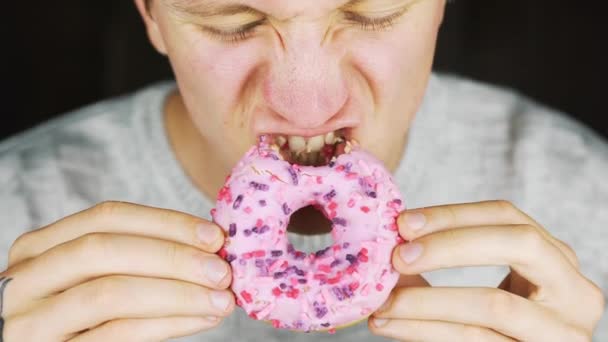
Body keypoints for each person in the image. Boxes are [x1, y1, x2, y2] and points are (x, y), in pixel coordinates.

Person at [0, 0, 606, 340]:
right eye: (231, 23)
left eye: (373, 12)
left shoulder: (583, 197)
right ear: (152, 16)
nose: (307, 104)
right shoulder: (16, 217)